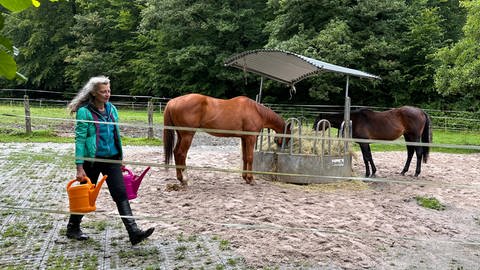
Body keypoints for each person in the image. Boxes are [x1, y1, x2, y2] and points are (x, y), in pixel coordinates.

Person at [66, 75, 154, 245]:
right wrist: (79, 167)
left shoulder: (112, 109)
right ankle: (73, 228)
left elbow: (115, 135)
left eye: (109, 91)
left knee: (121, 193)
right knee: (86, 195)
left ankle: (133, 232)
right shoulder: (84, 112)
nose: (107, 94)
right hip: (91, 160)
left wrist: (120, 159)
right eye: (103, 91)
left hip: (112, 159)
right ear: (93, 93)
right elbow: (80, 139)